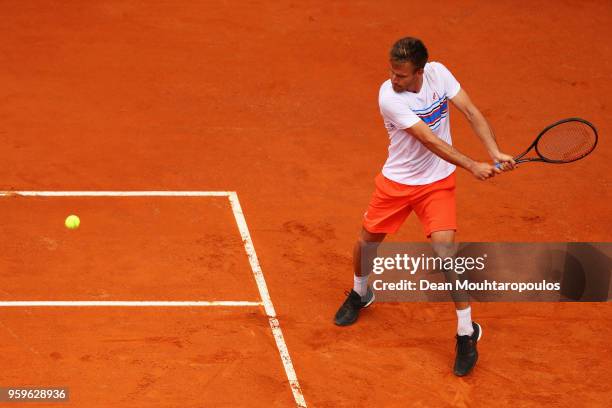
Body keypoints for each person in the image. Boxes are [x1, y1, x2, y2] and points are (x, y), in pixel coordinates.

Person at [333, 37, 515, 377]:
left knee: (447, 253)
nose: (393, 79)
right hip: (397, 183)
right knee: (366, 242)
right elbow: (430, 140)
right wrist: (472, 165)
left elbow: (472, 112)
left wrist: (493, 151)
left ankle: (465, 331)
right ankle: (360, 293)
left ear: (420, 71)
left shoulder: (439, 74)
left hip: (437, 185)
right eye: (391, 71)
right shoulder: (388, 96)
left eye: (401, 75)